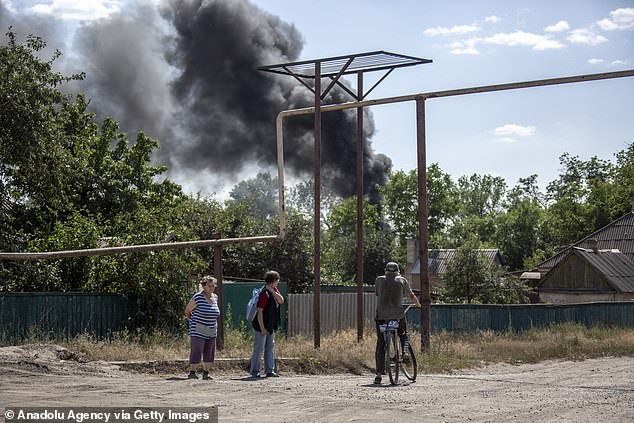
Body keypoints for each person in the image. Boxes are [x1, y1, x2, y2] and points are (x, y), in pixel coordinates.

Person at [373, 261, 421, 385]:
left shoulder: (379, 280)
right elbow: (411, 296)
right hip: (397, 316)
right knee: (404, 334)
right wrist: (417, 304)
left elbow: (378, 294)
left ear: (386, 270)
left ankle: (378, 375)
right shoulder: (402, 280)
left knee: (381, 343)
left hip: (382, 316)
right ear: (397, 271)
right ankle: (404, 353)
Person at [249, 270, 284, 378]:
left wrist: (273, 291)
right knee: (259, 348)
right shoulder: (264, 294)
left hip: (270, 325)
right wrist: (262, 328)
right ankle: (255, 371)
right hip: (261, 325)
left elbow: (281, 300)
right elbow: (259, 312)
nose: (278, 282)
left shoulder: (273, 291)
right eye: (277, 280)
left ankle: (270, 370)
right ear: (273, 281)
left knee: (270, 347)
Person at [185, 275, 220, 380]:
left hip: (211, 329)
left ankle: (206, 373)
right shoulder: (198, 297)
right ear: (204, 286)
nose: (211, 288)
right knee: (197, 349)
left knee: (209, 350)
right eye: (209, 286)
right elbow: (188, 311)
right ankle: (192, 372)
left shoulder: (216, 297)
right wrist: (192, 321)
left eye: (213, 286)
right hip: (198, 328)